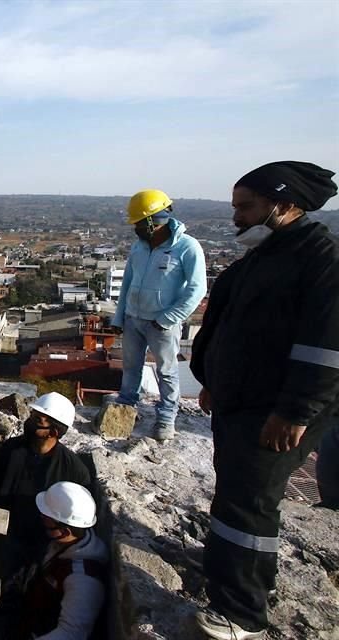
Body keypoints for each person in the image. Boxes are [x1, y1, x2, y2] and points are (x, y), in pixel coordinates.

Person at [190, 161, 339, 640]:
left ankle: (241, 614)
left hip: (275, 409)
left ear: (284, 204)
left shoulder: (321, 260)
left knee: (249, 503)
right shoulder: (263, 257)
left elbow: (326, 346)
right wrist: (210, 377)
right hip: (240, 401)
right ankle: (237, 573)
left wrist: (296, 410)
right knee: (235, 493)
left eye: (246, 206)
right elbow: (227, 326)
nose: (236, 216)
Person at [112, 189, 207, 441]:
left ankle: (166, 417)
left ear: (153, 220)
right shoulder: (139, 247)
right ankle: (126, 406)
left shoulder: (187, 247)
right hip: (134, 318)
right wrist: (119, 317)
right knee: (131, 367)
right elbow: (128, 283)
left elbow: (198, 289)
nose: (136, 229)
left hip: (163, 324)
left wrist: (168, 318)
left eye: (139, 223)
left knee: (166, 371)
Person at [0, 392, 91, 576]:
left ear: (54, 432)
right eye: (32, 415)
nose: (30, 421)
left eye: (39, 419)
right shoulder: (12, 449)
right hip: (1, 535)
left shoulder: (73, 470)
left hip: (38, 545)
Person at [8, 481, 108, 640]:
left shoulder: (83, 581)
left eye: (47, 518)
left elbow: (70, 634)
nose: (42, 518)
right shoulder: (64, 543)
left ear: (64, 531)